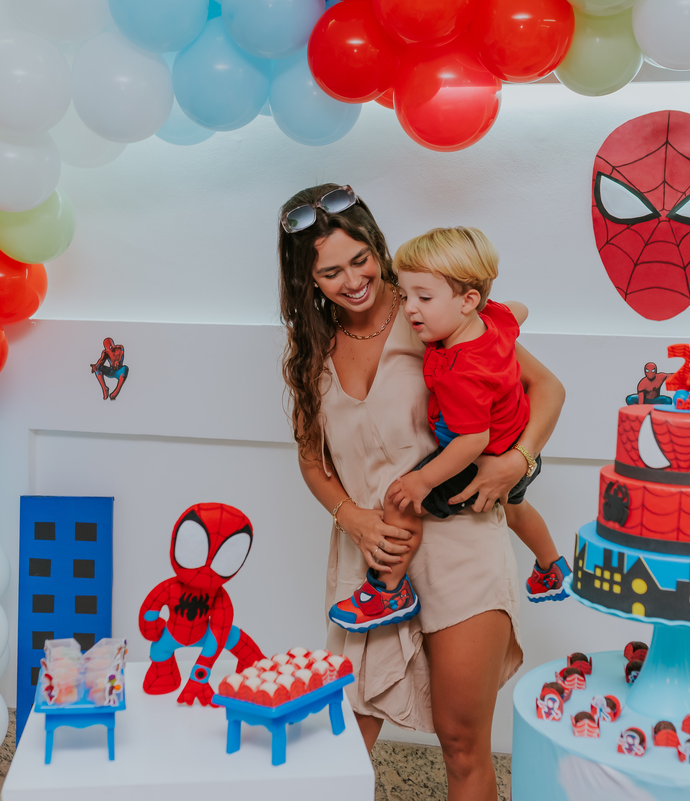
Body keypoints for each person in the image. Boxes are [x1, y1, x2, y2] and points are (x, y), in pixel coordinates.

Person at [277, 184, 566, 801]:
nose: (353, 280)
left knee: (462, 744)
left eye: (361, 260)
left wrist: (515, 461)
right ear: (308, 280)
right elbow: (312, 462)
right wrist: (353, 518)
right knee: (343, 746)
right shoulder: (310, 353)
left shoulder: (431, 315)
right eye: (330, 272)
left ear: (378, 248)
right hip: (375, 564)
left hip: (460, 550)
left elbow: (548, 390)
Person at [329, 227, 568, 633]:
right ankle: (552, 566)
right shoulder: (493, 320)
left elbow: (471, 441)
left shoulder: (462, 373)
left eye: (423, 298)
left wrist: (422, 481)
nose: (409, 309)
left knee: (399, 500)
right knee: (516, 507)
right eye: (405, 296)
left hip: (483, 454)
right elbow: (519, 309)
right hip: (521, 442)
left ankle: (388, 592)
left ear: (468, 299)